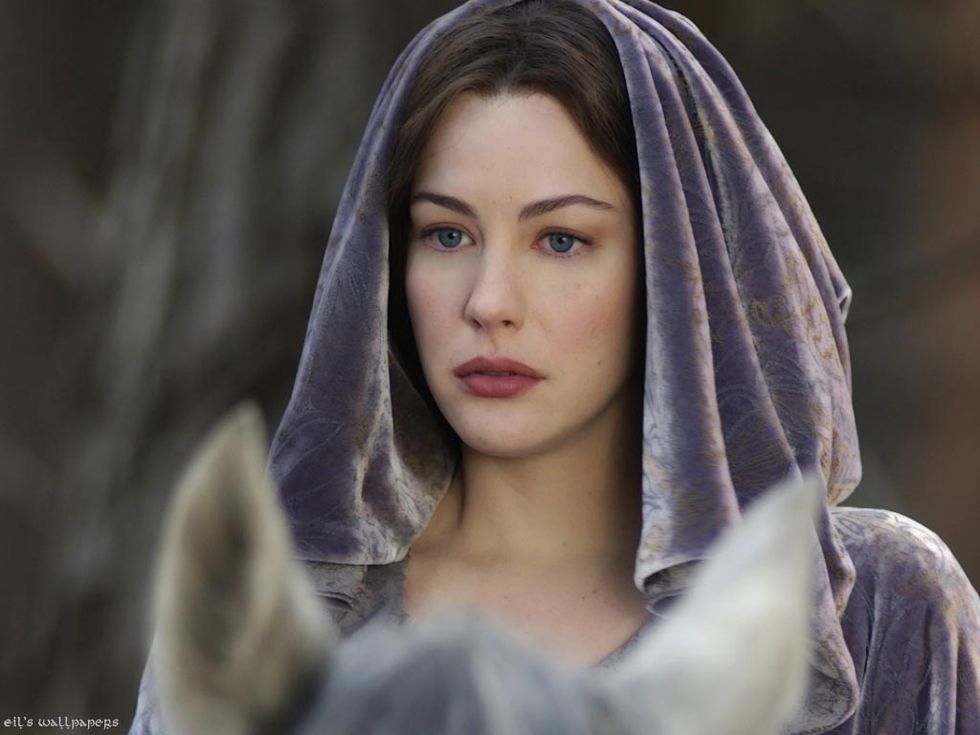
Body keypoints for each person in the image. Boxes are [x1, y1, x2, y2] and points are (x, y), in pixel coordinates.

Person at [129, 0, 980, 733]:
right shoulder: (268, 624)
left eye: (562, 239)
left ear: (677, 270)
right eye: (446, 233)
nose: (489, 300)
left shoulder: (870, 609)